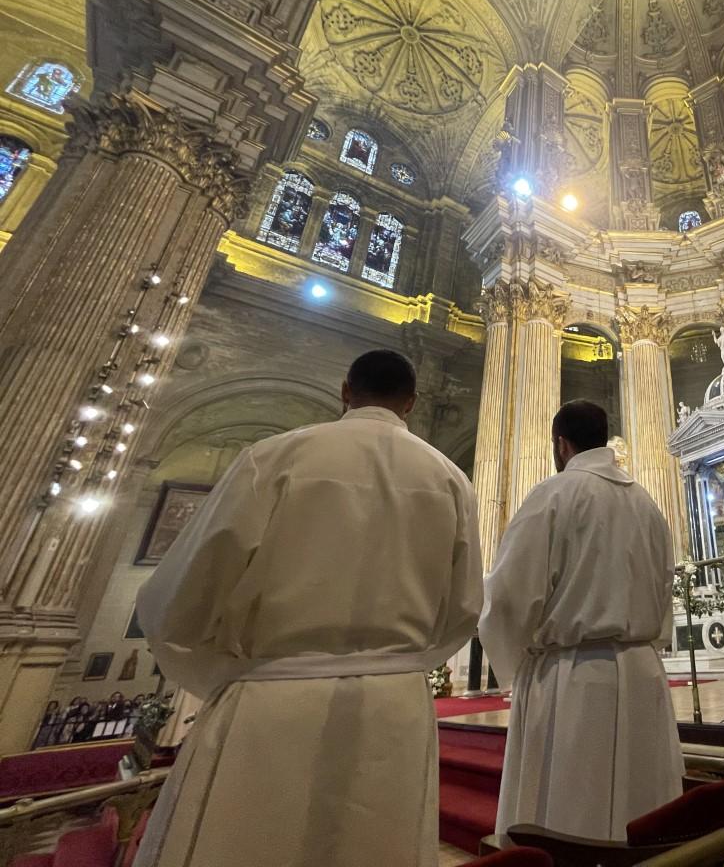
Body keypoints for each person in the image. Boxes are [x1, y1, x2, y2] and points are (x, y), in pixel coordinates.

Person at [134, 349, 483, 867]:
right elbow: (465, 606)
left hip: (270, 697)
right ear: (410, 402)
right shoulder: (451, 478)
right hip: (395, 703)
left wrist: (225, 673)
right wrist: (404, 662)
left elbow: (180, 594)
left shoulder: (275, 456)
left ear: (345, 390)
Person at [480, 400, 683, 843]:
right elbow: (665, 584)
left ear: (561, 444)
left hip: (572, 676)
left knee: (570, 813)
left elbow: (510, 594)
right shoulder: (647, 503)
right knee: (643, 808)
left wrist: (515, 661)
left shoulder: (553, 495)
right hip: (642, 671)